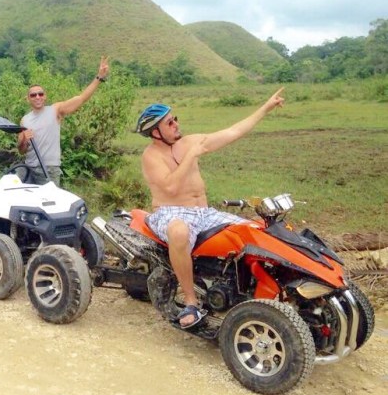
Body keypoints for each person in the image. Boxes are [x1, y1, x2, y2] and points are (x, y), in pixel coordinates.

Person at [137, 88, 285, 329]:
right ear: (156, 132)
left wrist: (265, 108)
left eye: (175, 119)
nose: (176, 124)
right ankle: (191, 301)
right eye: (169, 122)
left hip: (205, 213)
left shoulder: (189, 142)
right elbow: (171, 187)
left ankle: (262, 294)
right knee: (178, 232)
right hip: (171, 212)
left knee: (255, 230)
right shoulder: (151, 156)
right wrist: (191, 155)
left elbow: (233, 132)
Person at [17, 56, 110, 186]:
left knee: (50, 199)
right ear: (28, 99)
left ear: (45, 96)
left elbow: (81, 98)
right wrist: (24, 141)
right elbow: (21, 150)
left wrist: (99, 77)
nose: (37, 97)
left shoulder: (55, 110)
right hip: (29, 167)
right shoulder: (24, 120)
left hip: (49, 169)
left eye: (40, 94)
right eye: (33, 95)